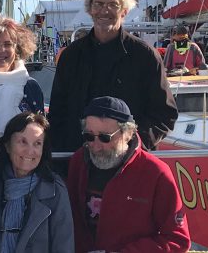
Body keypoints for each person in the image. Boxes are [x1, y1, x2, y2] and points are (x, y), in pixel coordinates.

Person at [48, 0, 178, 159]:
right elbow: (58, 113)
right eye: (98, 4)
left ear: (124, 11)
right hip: (78, 161)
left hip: (129, 163)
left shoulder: (145, 56)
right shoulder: (70, 57)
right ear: (89, 8)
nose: (104, 10)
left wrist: (132, 145)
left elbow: (164, 113)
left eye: (113, 5)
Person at [67, 96, 191, 252]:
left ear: (128, 134)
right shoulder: (79, 160)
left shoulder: (155, 172)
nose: (96, 146)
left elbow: (177, 239)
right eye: (89, 136)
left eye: (105, 138)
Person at [0, 112, 74, 252]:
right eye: (23, 142)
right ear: (7, 146)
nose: (30, 151)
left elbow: (63, 246)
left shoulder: (55, 190)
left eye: (37, 144)